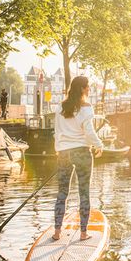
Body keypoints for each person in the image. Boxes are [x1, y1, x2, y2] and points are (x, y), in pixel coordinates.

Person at [53, 76, 103, 241]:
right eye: (88, 87)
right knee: (84, 192)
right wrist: (99, 145)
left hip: (64, 153)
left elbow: (57, 131)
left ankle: (57, 232)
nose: (89, 89)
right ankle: (83, 233)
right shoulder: (86, 107)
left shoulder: (60, 107)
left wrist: (58, 150)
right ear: (82, 88)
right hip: (81, 152)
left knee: (62, 192)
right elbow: (88, 131)